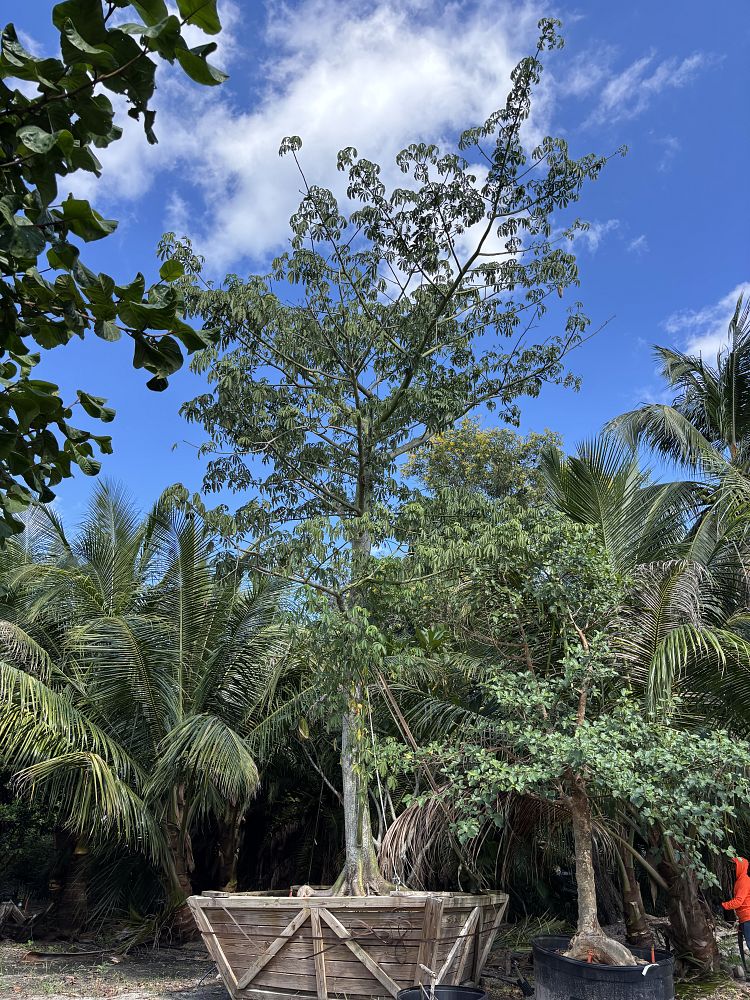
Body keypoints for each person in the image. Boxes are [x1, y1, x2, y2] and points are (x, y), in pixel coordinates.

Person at [723, 857, 750, 948]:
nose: (732, 869)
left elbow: (738, 901)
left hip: (748, 918)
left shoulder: (744, 881)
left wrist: (724, 905)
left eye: (734, 866)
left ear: (741, 867)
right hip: (745, 918)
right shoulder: (741, 880)